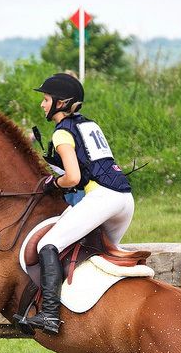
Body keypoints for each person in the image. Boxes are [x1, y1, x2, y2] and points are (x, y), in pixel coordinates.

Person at [24, 72, 134, 335]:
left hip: (102, 198)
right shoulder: (88, 124)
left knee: (47, 244)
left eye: (46, 99)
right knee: (96, 253)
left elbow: (72, 176)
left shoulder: (62, 133)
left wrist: (53, 183)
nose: (42, 104)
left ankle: (50, 315)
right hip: (125, 200)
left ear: (60, 103)